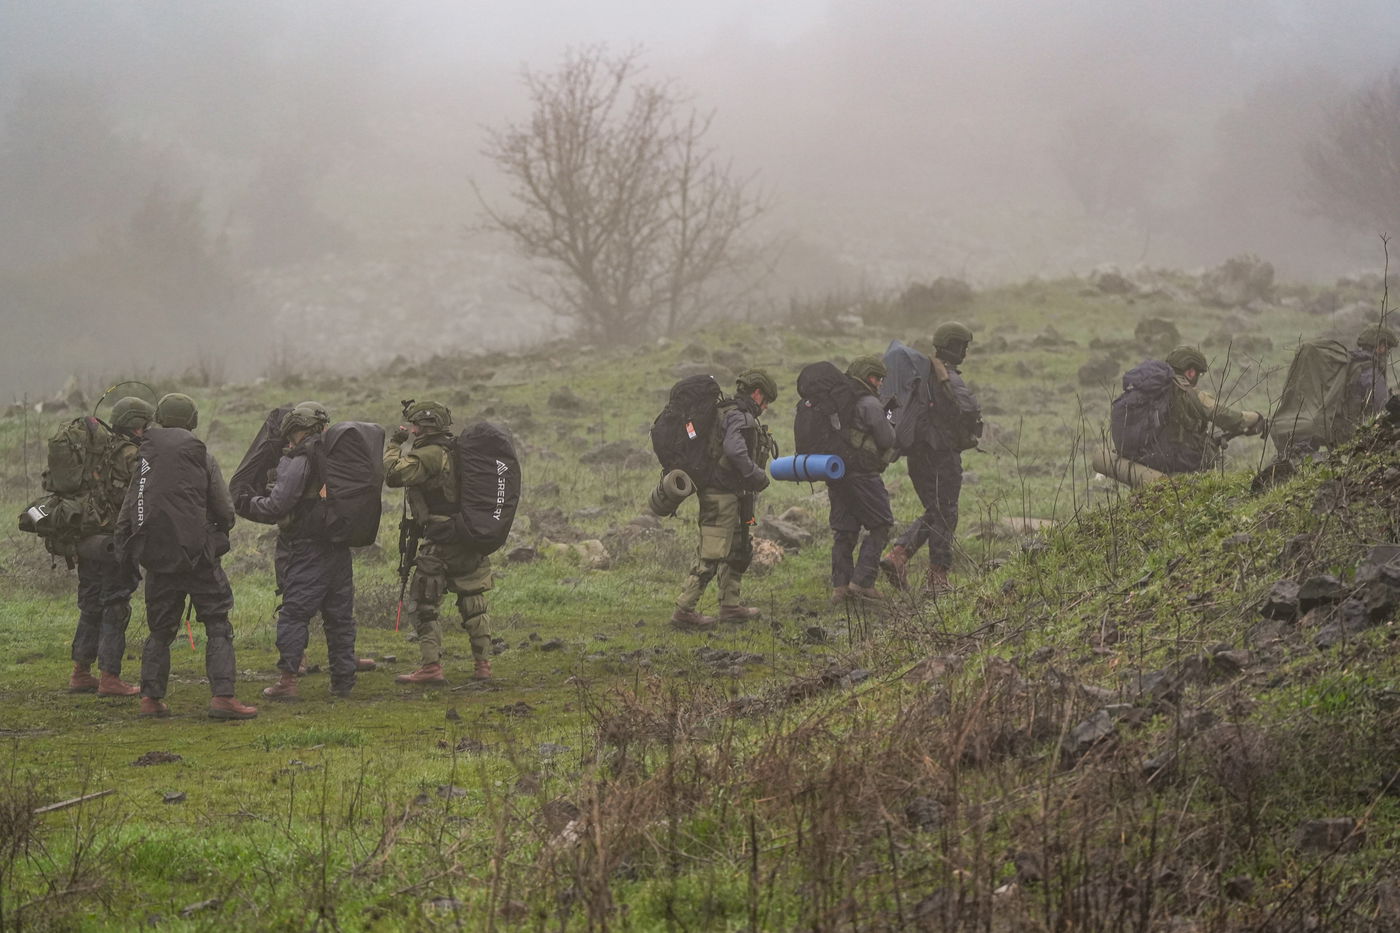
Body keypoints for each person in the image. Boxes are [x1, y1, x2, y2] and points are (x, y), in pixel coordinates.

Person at [116, 393, 257, 719]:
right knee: (218, 624)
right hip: (199, 557)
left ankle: (150, 700)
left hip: (158, 558)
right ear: (192, 420)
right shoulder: (200, 454)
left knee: (160, 631)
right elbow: (224, 507)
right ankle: (223, 699)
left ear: (161, 419)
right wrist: (217, 531)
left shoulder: (146, 456)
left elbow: (128, 510)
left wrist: (128, 550)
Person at [236, 402, 361, 700]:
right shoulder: (337, 455)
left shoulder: (301, 457)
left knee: (294, 614)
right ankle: (343, 681)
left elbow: (278, 504)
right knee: (340, 617)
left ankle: (287, 681)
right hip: (338, 547)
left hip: (307, 549)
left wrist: (247, 502)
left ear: (297, 429)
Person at [384, 401, 495, 684]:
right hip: (469, 535)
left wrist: (395, 444)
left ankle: (431, 668)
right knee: (474, 603)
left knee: (423, 604)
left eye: (414, 425)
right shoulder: (459, 450)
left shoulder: (431, 454)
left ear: (425, 425)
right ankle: (483, 666)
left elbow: (394, 474)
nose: (412, 428)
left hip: (441, 541)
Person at [671, 370, 778, 631]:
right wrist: (756, 475)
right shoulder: (738, 415)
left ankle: (730, 606)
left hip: (735, 494)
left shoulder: (730, 412)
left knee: (738, 549)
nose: (764, 408)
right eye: (766, 402)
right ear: (757, 393)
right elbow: (734, 450)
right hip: (720, 494)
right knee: (712, 554)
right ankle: (684, 610)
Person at [881, 322, 980, 595]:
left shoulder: (917, 377)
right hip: (942, 454)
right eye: (963, 346)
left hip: (916, 454)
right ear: (954, 345)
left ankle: (899, 555)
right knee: (946, 512)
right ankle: (938, 577)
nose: (965, 352)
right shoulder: (946, 376)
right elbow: (969, 408)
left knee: (935, 511)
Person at [66, 396, 154, 697]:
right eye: (145, 425)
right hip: (116, 542)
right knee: (115, 606)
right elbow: (145, 496)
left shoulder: (95, 449)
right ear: (136, 425)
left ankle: (80, 672)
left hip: (88, 540)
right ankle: (110, 677)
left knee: (90, 605)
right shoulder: (132, 455)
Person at [1120, 346, 1266, 476]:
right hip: (1179, 463)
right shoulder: (1188, 393)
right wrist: (1256, 417)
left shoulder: (1149, 390)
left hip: (1144, 460)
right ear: (1190, 372)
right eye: (1198, 374)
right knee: (1227, 464)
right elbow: (1225, 417)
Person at [828, 356, 897, 604]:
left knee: (845, 531)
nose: (879, 383)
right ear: (867, 376)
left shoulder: (837, 401)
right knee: (881, 524)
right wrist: (890, 418)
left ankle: (840, 588)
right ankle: (863, 583)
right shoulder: (869, 403)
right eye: (876, 378)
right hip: (863, 475)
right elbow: (887, 439)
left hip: (836, 473)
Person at [1272, 325, 1395, 457]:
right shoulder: (1372, 374)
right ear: (1381, 347)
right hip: (1350, 434)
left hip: (1330, 427)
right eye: (1387, 349)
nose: (1387, 353)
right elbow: (1382, 411)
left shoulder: (1347, 362)